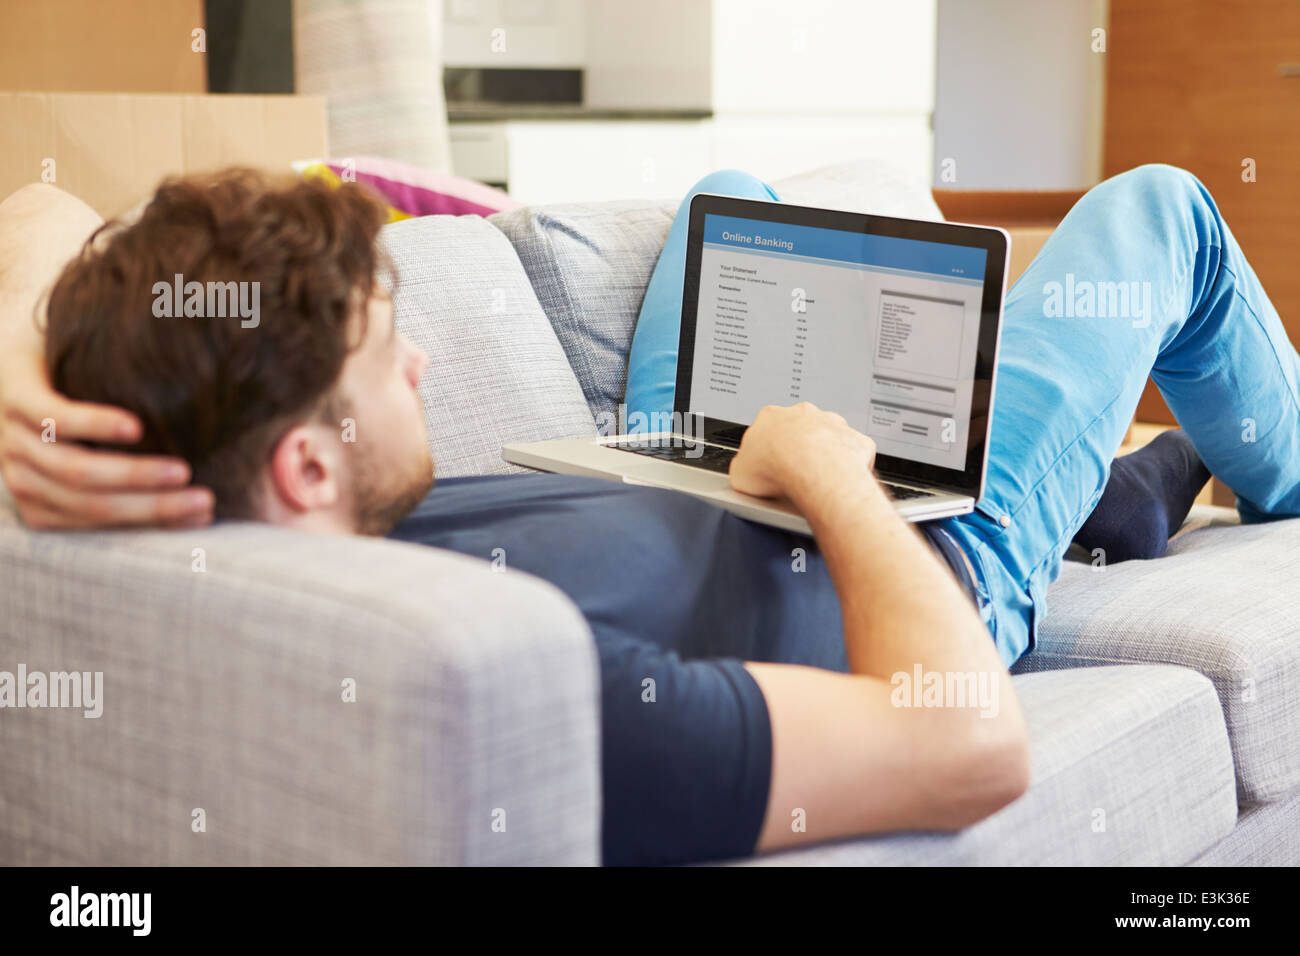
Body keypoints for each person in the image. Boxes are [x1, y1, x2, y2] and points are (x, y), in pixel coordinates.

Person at [0, 161, 1293, 865]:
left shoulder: (179, 503)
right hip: (923, 563)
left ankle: (1124, 489)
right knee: (1160, 211)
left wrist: (25, 355)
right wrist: (836, 477)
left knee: (732, 197)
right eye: (387, 356)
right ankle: (1168, 483)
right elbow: (966, 746)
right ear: (304, 472)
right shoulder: (529, 692)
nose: (423, 368)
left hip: (666, 469)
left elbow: (41, 208)